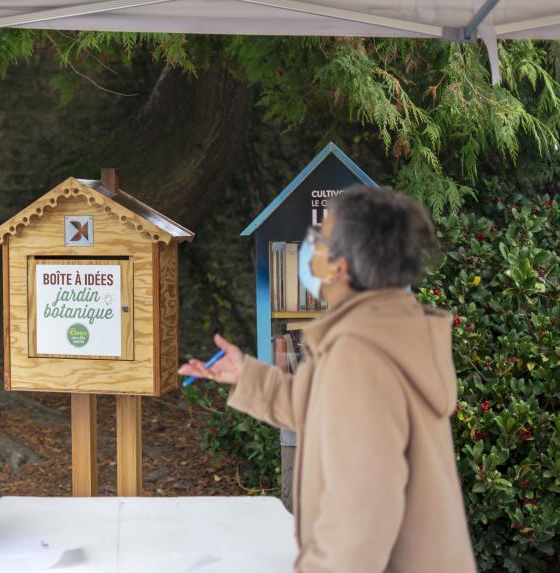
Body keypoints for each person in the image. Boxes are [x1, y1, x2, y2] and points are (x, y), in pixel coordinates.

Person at [179, 186, 477, 572]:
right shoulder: (391, 329)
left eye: (319, 240)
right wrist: (246, 376)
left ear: (340, 267)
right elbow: (322, 413)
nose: (310, 247)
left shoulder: (360, 353)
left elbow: (360, 518)